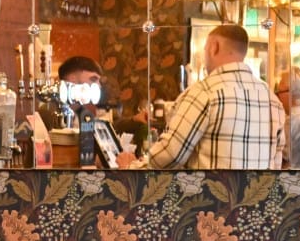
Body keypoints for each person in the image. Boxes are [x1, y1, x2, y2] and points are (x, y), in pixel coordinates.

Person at [118, 24, 282, 170]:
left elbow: (170, 155)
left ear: (214, 47)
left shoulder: (204, 92)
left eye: (205, 49)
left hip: (210, 201)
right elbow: (276, 163)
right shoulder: (272, 99)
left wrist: (131, 167)